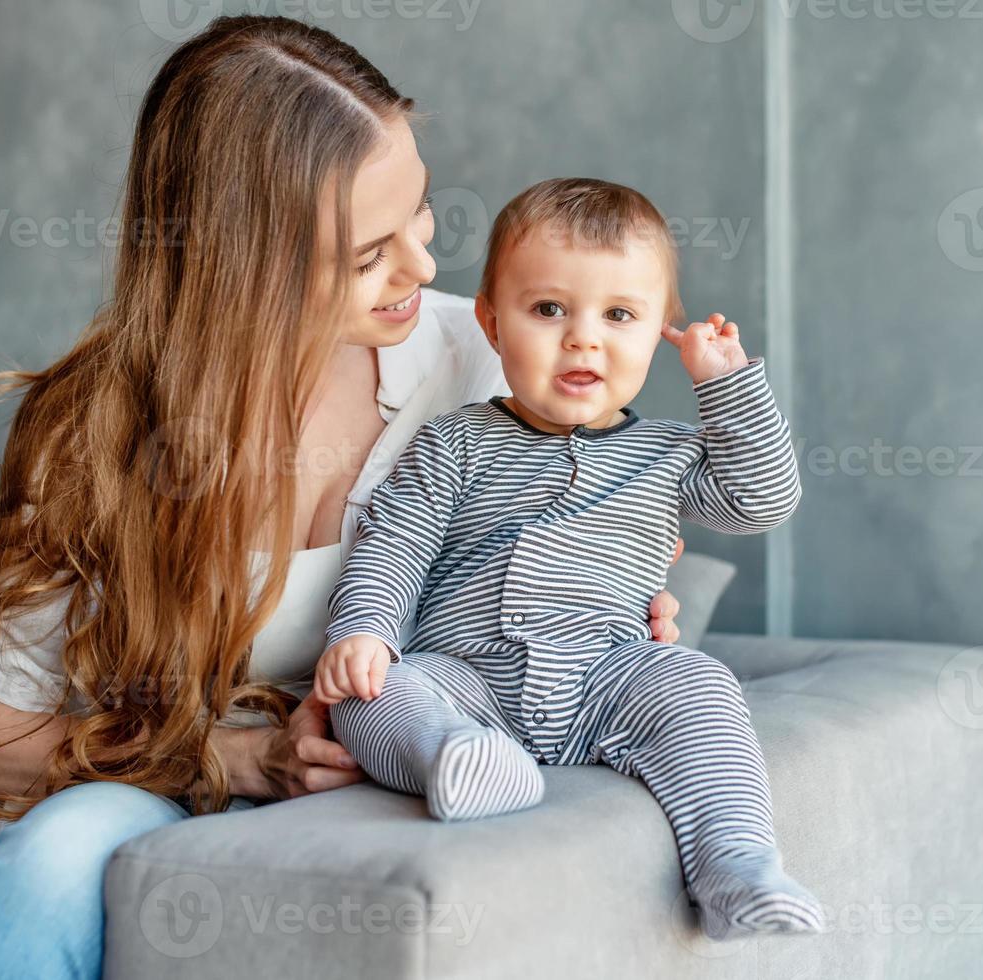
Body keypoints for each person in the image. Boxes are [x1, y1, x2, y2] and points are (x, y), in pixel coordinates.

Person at [0, 16, 682, 980]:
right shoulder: (95, 431)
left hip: (427, 754)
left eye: (422, 215)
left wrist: (606, 588)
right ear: (240, 263)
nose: (425, 271)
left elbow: (623, 498)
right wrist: (244, 758)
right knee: (54, 858)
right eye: (366, 256)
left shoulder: (487, 363)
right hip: (168, 775)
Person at [311, 177, 824, 939]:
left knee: (698, 684)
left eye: (619, 315)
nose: (583, 338)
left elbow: (763, 500)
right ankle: (457, 759)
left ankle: (737, 865)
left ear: (659, 333)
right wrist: (365, 633)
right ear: (490, 320)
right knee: (367, 693)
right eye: (547, 309)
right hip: (467, 675)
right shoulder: (455, 442)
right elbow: (397, 542)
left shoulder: (669, 455)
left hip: (606, 673)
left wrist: (727, 388)